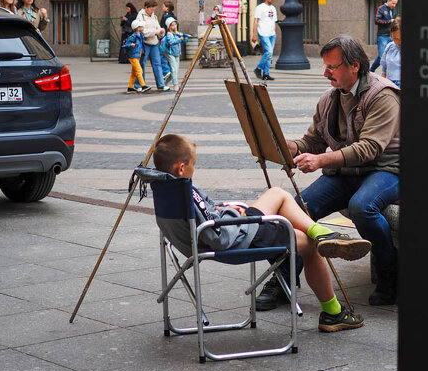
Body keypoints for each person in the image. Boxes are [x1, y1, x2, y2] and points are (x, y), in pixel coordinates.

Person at [152, 133, 370, 333]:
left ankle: (322, 233)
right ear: (181, 168)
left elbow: (208, 215)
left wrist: (224, 210)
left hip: (228, 230)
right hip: (237, 237)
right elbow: (218, 237)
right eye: (193, 165)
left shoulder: (168, 187)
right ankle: (333, 313)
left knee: (278, 194)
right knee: (308, 245)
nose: (194, 169)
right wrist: (232, 214)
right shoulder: (185, 190)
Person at [257, 35, 400, 311]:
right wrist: (288, 147)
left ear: (354, 66)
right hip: (345, 172)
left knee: (363, 206)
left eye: (332, 67)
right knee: (296, 210)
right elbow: (312, 141)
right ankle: (284, 280)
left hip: (385, 169)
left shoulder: (384, 95)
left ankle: (389, 272)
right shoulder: (329, 98)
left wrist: (321, 160)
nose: (325, 73)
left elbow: (369, 148)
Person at [134, 0, 167, 91]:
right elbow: (142, 31)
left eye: (154, 10)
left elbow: (157, 27)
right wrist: (155, 32)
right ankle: (139, 84)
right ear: (146, 8)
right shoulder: (140, 16)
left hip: (154, 42)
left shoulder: (154, 16)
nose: (152, 12)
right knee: (141, 64)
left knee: (157, 63)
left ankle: (161, 84)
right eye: (151, 10)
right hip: (144, 43)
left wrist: (161, 32)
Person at [251, 0, 277, 81]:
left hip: (272, 34)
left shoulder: (273, 8)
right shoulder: (260, 7)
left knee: (269, 54)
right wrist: (254, 34)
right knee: (269, 52)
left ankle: (266, 74)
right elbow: (255, 21)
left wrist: (274, 32)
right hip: (263, 33)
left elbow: (274, 21)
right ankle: (258, 69)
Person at [370, 0, 398, 72]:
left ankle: (389, 73)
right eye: (393, 3)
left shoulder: (393, 10)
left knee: (392, 57)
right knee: (381, 56)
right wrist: (389, 21)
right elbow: (377, 20)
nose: (394, 5)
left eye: (395, 4)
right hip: (383, 36)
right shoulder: (381, 8)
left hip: (392, 36)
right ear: (388, 1)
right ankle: (371, 70)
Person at [123, 19, 152, 93]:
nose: (143, 27)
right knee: (139, 70)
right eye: (142, 26)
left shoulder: (141, 35)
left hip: (137, 56)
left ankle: (130, 87)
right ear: (138, 28)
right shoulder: (133, 37)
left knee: (134, 72)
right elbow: (125, 45)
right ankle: (143, 86)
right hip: (132, 56)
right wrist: (130, 44)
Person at [160, 18, 188, 90]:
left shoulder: (177, 33)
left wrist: (185, 37)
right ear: (169, 27)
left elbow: (183, 40)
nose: (174, 26)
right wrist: (179, 39)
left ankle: (165, 82)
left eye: (175, 25)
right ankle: (175, 85)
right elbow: (171, 42)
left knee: (175, 70)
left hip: (177, 53)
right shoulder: (169, 34)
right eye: (172, 25)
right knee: (174, 70)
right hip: (171, 53)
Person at [381, 17, 401, 87]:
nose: (399, 42)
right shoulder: (389, 47)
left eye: (401, 38)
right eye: (396, 38)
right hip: (389, 83)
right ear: (391, 35)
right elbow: (384, 68)